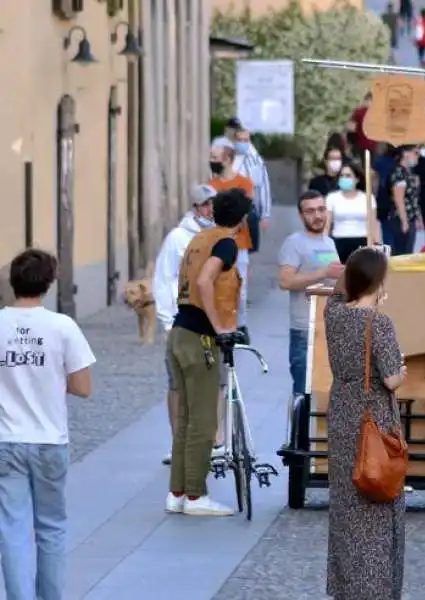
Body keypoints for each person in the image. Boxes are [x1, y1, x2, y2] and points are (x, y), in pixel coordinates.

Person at [0, 249, 95, 599]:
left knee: (11, 529)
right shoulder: (62, 326)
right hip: (49, 440)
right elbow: (83, 387)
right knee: (51, 528)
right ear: (49, 284)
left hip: (6, 440)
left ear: (12, 282)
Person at [325, 248, 407, 600]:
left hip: (342, 411)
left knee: (346, 502)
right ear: (379, 282)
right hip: (372, 417)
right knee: (377, 494)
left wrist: (350, 270)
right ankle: (373, 589)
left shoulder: (333, 314)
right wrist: (403, 371)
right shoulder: (379, 323)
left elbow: (339, 291)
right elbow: (390, 379)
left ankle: (346, 586)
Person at [166, 188, 251, 516]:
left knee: (186, 418)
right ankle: (196, 496)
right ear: (242, 219)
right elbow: (204, 282)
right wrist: (220, 329)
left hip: (179, 332)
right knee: (203, 420)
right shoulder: (225, 243)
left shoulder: (199, 237)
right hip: (200, 337)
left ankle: (177, 492)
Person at [153, 184, 223, 466]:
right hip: (182, 321)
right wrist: (166, 321)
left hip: (212, 321)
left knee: (216, 381)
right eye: (205, 205)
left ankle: (215, 440)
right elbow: (164, 278)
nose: (210, 210)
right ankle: (178, 441)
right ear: (195, 208)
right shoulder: (178, 238)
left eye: (213, 204)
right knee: (178, 385)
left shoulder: (220, 237)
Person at [278, 191, 344, 398]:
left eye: (321, 209)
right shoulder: (294, 242)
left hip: (330, 329)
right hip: (305, 331)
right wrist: (323, 272)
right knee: (304, 397)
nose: (317, 215)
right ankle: (300, 432)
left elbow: (333, 282)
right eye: (310, 211)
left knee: (326, 397)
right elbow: (285, 281)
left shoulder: (329, 242)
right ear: (301, 216)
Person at [207, 143, 255, 342]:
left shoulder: (244, 183)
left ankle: (240, 325)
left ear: (227, 159)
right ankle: (220, 324)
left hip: (240, 243)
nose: (212, 161)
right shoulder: (211, 186)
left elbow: (247, 212)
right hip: (217, 241)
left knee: (240, 289)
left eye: (215, 157)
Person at [324, 162, 381, 263]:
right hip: (339, 242)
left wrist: (376, 244)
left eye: (348, 175)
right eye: (342, 176)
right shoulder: (331, 198)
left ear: (357, 179)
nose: (344, 178)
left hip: (362, 243)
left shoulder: (368, 198)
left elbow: (373, 224)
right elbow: (327, 225)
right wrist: (323, 245)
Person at [388, 145, 422, 255]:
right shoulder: (399, 173)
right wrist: (404, 221)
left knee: (409, 251)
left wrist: (418, 218)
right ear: (405, 153)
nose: (418, 156)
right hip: (401, 219)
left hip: (410, 218)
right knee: (402, 252)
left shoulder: (409, 173)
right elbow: (399, 199)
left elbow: (414, 199)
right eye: (415, 153)